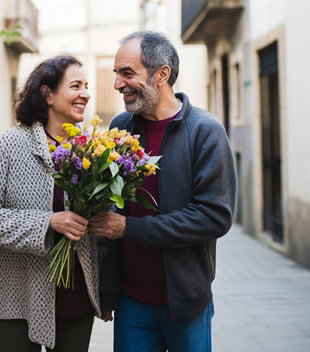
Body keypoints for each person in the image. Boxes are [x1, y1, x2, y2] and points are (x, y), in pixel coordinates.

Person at [89, 31, 236, 352]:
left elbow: (215, 217)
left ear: (162, 74)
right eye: (115, 74)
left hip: (186, 304)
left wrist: (131, 228)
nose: (117, 84)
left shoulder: (206, 132)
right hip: (131, 305)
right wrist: (106, 291)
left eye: (127, 73)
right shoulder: (121, 127)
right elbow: (110, 209)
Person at [0, 55, 101, 352]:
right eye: (76, 85)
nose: (85, 94)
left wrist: (105, 292)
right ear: (48, 94)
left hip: (76, 294)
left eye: (87, 86)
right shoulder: (9, 145)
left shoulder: (93, 150)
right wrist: (48, 222)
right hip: (18, 295)